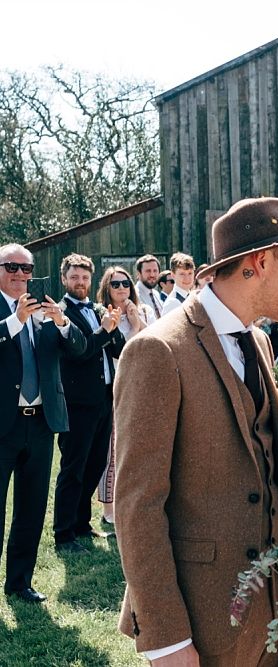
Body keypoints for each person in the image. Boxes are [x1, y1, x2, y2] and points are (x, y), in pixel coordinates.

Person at [113, 197, 278, 666]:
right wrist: (167, 640)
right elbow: (138, 504)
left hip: (276, 614)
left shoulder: (256, 338)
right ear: (259, 263)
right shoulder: (157, 350)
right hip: (203, 622)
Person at [0, 244, 86, 603]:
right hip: (2, 425)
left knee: (32, 507)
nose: (20, 275)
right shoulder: (13, 314)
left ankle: (20, 583)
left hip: (39, 423)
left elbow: (80, 348)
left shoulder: (46, 309)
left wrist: (63, 323)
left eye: (26, 268)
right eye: (11, 267)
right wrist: (14, 322)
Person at [55, 254, 126, 553]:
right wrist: (104, 331)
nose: (80, 283)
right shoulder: (60, 313)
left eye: (84, 278)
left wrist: (114, 326)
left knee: (95, 463)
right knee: (73, 467)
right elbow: (80, 353)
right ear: (64, 279)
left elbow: (120, 348)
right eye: (74, 277)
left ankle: (82, 523)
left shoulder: (98, 310)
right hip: (77, 403)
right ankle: (63, 534)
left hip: (103, 399)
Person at [95, 267, 154, 527]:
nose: (121, 288)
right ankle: (109, 509)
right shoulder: (104, 315)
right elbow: (122, 352)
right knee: (112, 449)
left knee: (137, 448)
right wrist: (134, 327)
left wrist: (138, 321)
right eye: (115, 284)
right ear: (107, 288)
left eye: (125, 284)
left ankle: (134, 503)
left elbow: (152, 346)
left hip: (141, 385)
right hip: (114, 386)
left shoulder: (144, 311)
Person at [160, 252, 196, 316]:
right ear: (173, 275)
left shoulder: (192, 297)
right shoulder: (173, 303)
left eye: (190, 273)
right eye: (182, 274)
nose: (187, 278)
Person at [135, 254, 164, 320]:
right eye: (148, 271)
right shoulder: (134, 295)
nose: (152, 275)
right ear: (138, 273)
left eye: (155, 271)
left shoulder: (156, 294)